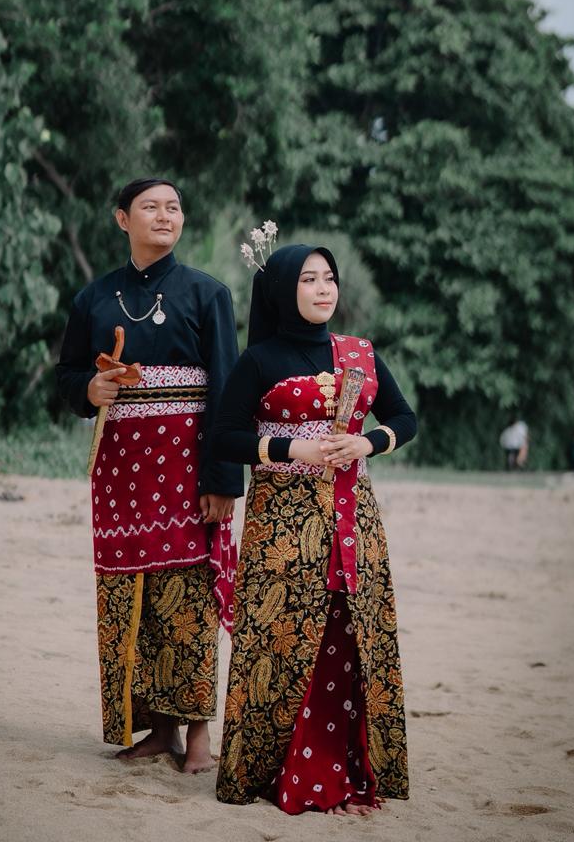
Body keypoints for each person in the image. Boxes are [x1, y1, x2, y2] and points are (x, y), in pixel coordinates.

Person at [212, 243, 416, 815]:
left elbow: (404, 417)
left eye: (330, 278)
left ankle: (342, 770)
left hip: (354, 520)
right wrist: (289, 447)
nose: (324, 289)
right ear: (283, 289)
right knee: (279, 638)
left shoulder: (360, 353)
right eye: (309, 279)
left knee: (347, 635)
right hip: (282, 527)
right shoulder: (260, 360)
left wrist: (366, 442)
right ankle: (272, 771)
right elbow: (224, 436)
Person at [56, 178, 243, 773]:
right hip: (120, 477)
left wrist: (222, 480)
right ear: (122, 219)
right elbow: (67, 377)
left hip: (188, 471)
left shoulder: (208, 294)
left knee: (189, 599)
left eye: (174, 207)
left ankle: (199, 737)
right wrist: (90, 388)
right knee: (131, 595)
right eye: (150, 207)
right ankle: (159, 732)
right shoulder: (93, 299)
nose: (165, 216)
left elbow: (229, 392)